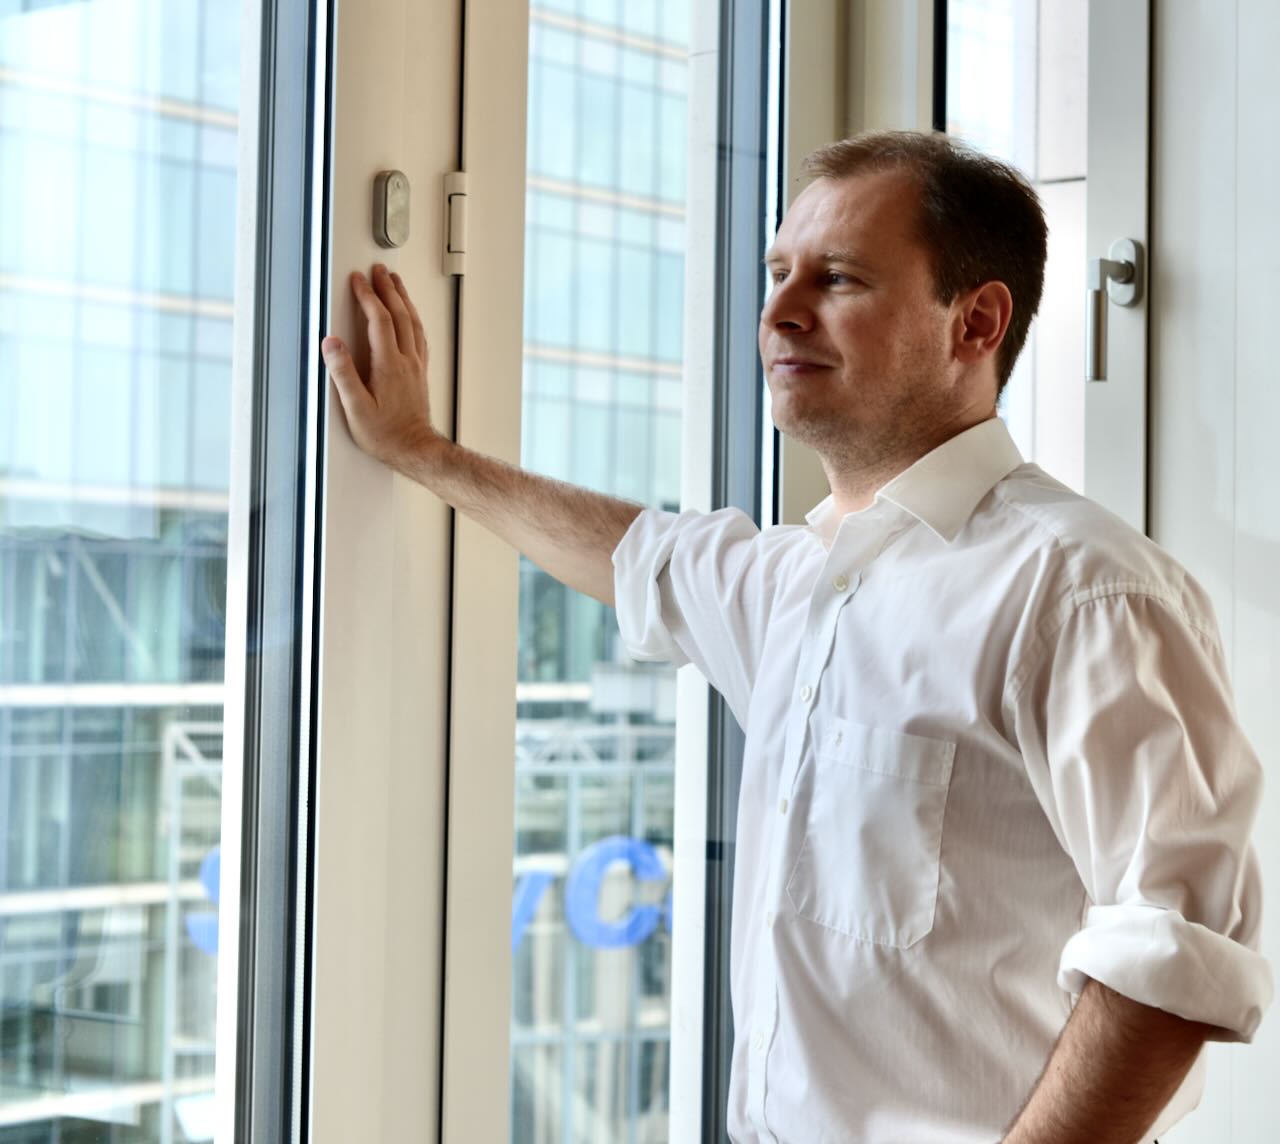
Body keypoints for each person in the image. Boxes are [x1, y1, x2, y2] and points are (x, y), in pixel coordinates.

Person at [321, 130, 1272, 1143]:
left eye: (838, 278)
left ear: (975, 321)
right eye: (776, 273)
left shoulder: (1081, 588)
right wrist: (421, 454)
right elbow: (633, 553)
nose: (777, 311)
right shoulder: (796, 584)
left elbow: (1168, 956)